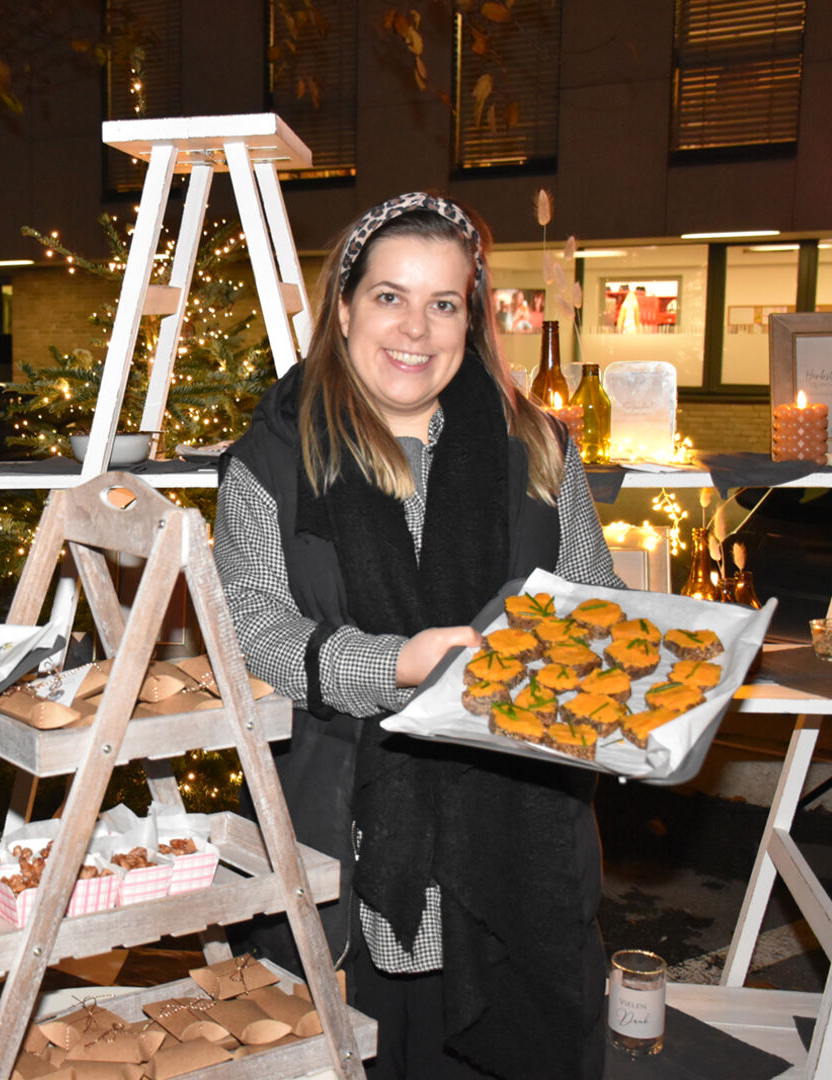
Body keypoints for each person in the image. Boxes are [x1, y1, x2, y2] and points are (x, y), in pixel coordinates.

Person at [215, 192, 622, 1080]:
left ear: (469, 318)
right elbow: (260, 634)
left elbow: (594, 608)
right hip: (350, 841)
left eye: (444, 303)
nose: (416, 328)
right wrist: (397, 664)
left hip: (518, 838)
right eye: (390, 296)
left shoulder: (537, 449)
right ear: (345, 306)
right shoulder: (273, 462)